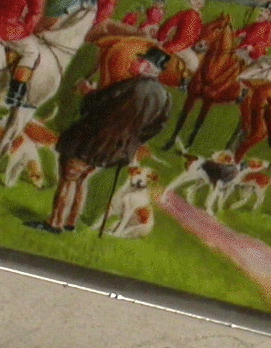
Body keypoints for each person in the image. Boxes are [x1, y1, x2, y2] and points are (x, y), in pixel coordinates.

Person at [29, 48, 173, 233]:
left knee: (68, 178)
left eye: (139, 61)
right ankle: (71, 222)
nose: (133, 62)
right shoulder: (165, 97)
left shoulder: (128, 86)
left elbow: (94, 106)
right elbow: (157, 127)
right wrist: (132, 141)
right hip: (117, 149)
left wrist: (88, 92)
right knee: (81, 179)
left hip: (93, 142)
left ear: (147, 66)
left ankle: (55, 223)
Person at [156, 0, 207, 77]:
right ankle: (184, 82)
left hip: (190, 46)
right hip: (180, 46)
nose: (198, 1)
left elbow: (196, 34)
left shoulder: (199, 16)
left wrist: (199, 42)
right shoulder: (185, 14)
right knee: (193, 62)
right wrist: (161, 39)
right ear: (190, 1)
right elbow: (168, 25)